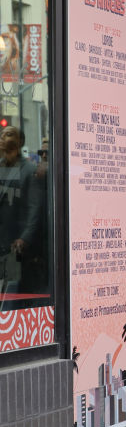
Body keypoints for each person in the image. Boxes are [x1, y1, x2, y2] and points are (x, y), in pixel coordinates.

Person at [0, 126, 43, 299]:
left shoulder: (29, 170)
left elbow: (35, 209)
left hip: (15, 246)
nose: (3, 138)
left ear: (20, 142)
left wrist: (24, 239)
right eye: (2, 134)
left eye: (8, 135)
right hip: (2, 242)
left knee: (11, 292)